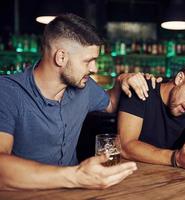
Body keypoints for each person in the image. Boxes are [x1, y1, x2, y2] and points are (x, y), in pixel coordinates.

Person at [0, 13, 161, 190]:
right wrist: (76, 176)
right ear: (61, 57)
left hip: (76, 193)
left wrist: (123, 80)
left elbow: (111, 104)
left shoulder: (84, 87)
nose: (94, 69)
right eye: (88, 61)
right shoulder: (8, 92)